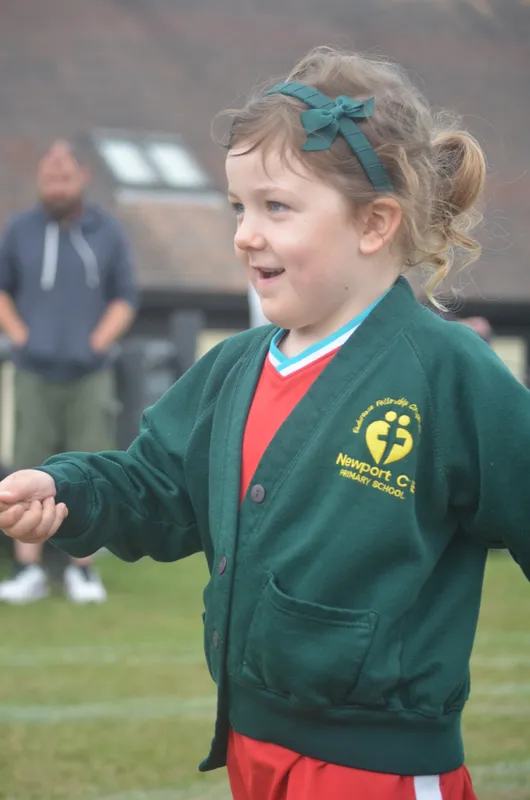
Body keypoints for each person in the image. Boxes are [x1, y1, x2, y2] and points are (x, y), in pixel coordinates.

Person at [0, 46, 527, 799]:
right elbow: (156, 485)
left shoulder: (448, 372)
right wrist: (67, 489)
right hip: (253, 745)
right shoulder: (235, 368)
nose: (245, 233)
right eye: (239, 207)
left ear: (375, 222)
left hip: (379, 771)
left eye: (276, 207)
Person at [0, 140, 137, 604]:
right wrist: (21, 335)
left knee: (90, 468)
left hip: (89, 375)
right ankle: (28, 570)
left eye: (64, 174)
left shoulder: (108, 232)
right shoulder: (19, 230)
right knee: (26, 469)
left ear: (82, 178)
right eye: (49, 174)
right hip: (33, 374)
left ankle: (84, 573)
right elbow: (2, 291)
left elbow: (125, 298)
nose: (56, 181)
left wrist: (95, 342)